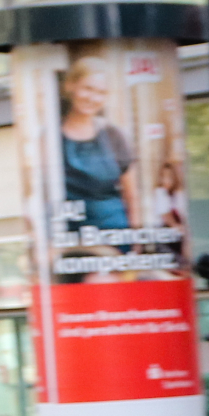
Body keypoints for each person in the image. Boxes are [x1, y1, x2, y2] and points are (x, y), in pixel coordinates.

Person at [59, 56, 139, 268]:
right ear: (70, 86)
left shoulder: (113, 135)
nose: (93, 98)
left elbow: (131, 195)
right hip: (75, 244)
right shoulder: (51, 138)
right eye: (87, 88)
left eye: (101, 92)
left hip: (118, 238)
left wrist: (138, 239)